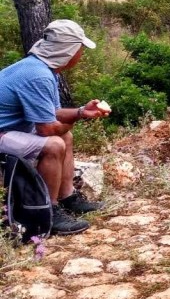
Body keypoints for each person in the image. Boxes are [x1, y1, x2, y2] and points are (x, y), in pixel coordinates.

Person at [0, 20, 110, 235]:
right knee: (54, 144)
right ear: (68, 51)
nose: (81, 54)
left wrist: (80, 111)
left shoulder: (41, 68)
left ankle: (67, 198)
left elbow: (50, 113)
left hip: (8, 130)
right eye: (80, 48)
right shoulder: (38, 75)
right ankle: (47, 213)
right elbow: (47, 129)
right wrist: (78, 119)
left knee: (65, 137)